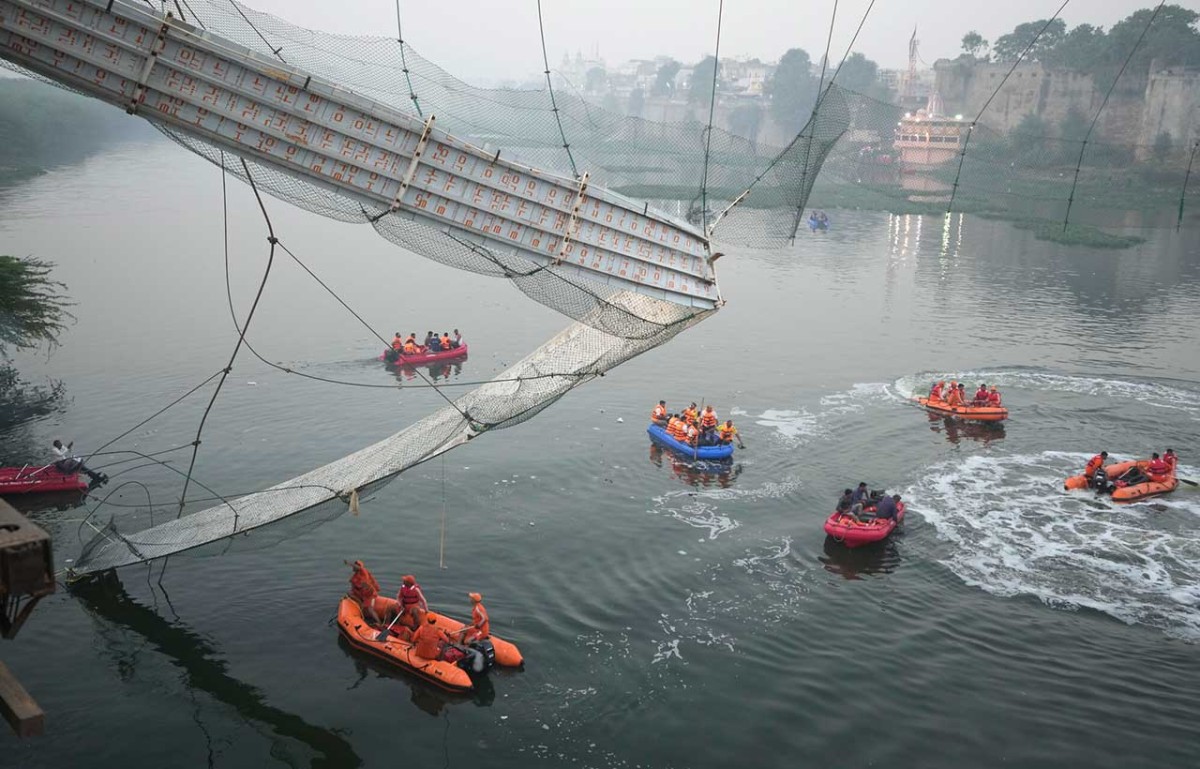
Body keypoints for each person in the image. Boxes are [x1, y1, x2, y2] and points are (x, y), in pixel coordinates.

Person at [349, 560, 382, 624]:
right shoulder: (357, 575)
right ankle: (362, 614)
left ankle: (379, 622)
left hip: (368, 594)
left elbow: (362, 586)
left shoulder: (363, 573)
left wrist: (349, 563)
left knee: (370, 609)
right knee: (353, 597)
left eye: (354, 566)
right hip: (364, 593)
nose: (352, 568)